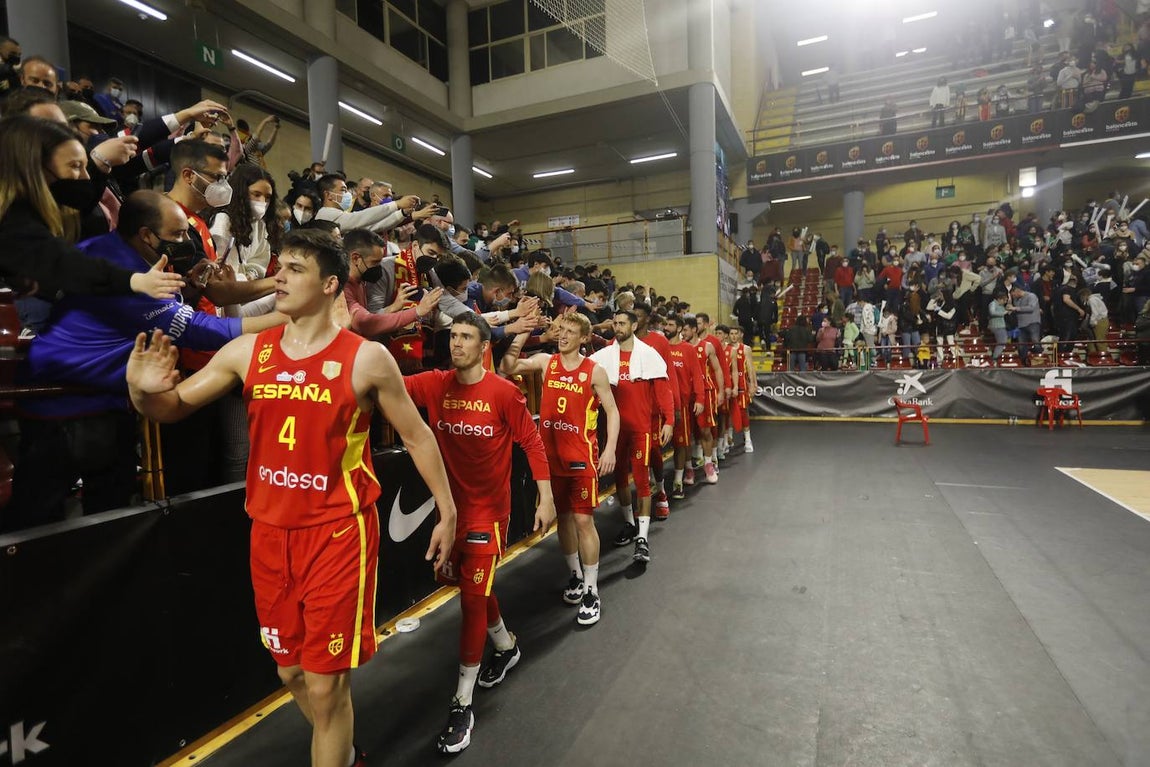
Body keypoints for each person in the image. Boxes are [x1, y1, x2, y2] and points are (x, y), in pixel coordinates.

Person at [126, 228, 459, 767]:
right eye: (279, 266)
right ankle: (345, 754)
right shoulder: (246, 351)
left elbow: (419, 436)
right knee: (290, 673)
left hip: (337, 531)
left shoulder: (367, 358)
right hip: (268, 533)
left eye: (295, 268)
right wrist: (141, 389)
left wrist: (446, 509)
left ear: (331, 284)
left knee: (327, 687)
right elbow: (170, 407)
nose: (279, 276)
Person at [4, 190, 289, 532]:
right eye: (178, 235)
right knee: (43, 520)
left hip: (99, 401)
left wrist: (191, 287)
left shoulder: (113, 252)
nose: (186, 242)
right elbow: (199, 329)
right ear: (146, 235)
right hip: (67, 406)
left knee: (108, 510)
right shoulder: (122, 274)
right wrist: (292, 316)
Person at [403, 312, 554, 755]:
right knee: (475, 587)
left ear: (484, 345)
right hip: (452, 514)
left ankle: (461, 702)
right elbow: (387, 383)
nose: (457, 344)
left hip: (490, 515)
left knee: (470, 601)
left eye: (466, 337)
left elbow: (532, 442)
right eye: (453, 336)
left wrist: (545, 499)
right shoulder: (434, 383)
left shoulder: (504, 393)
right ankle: (505, 646)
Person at [501, 313, 619, 625]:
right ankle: (575, 576)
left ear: (584, 338)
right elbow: (507, 366)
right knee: (563, 519)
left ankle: (592, 590)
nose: (563, 336)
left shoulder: (594, 371)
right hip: (550, 459)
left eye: (570, 332)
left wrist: (609, 449)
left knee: (583, 520)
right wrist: (524, 332)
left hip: (581, 458)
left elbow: (612, 410)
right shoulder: (545, 361)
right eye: (561, 330)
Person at [0, 115, 182, 303]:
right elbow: (65, 264)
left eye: (86, 166)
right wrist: (135, 281)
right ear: (35, 168)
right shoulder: (12, 220)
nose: (85, 177)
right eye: (75, 166)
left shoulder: (31, 208)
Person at [591, 310, 673, 564]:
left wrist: (669, 420)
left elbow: (663, 389)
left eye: (622, 323)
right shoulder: (604, 356)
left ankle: (643, 538)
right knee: (620, 480)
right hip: (616, 431)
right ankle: (629, 523)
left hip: (641, 429)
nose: (617, 326)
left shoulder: (649, 356)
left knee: (641, 479)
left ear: (634, 325)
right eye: (615, 323)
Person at [662, 315, 705, 498]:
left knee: (681, 443)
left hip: (682, 405)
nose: (666, 327)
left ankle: (678, 480)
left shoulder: (687, 349)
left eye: (670, 324)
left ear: (679, 328)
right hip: (662, 405)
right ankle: (657, 483)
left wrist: (700, 399)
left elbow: (697, 375)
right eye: (665, 324)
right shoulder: (660, 347)